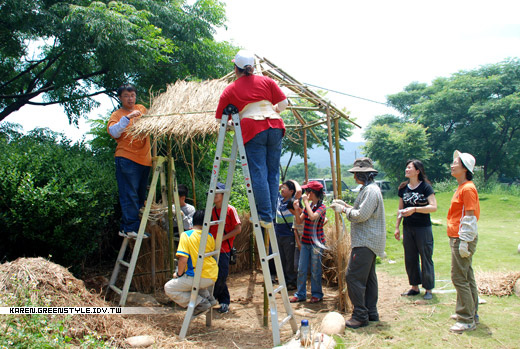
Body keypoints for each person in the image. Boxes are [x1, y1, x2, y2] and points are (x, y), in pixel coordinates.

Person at [215, 50, 288, 227]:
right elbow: (284, 104)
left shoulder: (230, 89)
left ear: (235, 68)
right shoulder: (267, 81)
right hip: (276, 126)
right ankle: (270, 214)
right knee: (273, 173)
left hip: (253, 128)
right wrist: (274, 111)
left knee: (258, 172)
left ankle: (264, 216)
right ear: (253, 67)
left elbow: (219, 119)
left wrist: (233, 125)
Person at [330, 157, 386, 329]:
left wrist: (344, 210)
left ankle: (360, 315)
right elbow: (361, 210)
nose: (355, 177)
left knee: (353, 276)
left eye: (358, 174)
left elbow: (361, 215)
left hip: (365, 241)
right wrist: (345, 205)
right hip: (369, 241)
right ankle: (371, 312)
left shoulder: (371, 191)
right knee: (368, 279)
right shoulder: (368, 190)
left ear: (368, 175)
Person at [107, 84, 151, 239]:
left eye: (132, 95)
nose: (130, 98)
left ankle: (128, 227)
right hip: (127, 158)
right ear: (120, 98)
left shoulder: (142, 109)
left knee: (139, 196)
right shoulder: (118, 115)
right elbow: (113, 132)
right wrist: (127, 118)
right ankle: (130, 227)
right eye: (126, 95)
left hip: (145, 160)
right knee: (129, 194)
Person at [447, 150, 480, 333]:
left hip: (461, 237)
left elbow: (469, 216)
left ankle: (466, 318)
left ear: (465, 168)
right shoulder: (461, 187)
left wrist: (465, 241)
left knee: (459, 277)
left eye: (456, 163)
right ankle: (471, 312)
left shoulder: (467, 188)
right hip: (458, 236)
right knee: (467, 276)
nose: (452, 165)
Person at [395, 160, 437, 300]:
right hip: (408, 228)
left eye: (409, 167)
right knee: (410, 258)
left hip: (423, 228)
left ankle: (428, 289)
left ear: (417, 171)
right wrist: (397, 227)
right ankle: (414, 287)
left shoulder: (426, 187)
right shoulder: (403, 188)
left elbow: (433, 207)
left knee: (425, 257)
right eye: (406, 167)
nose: (406, 169)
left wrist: (415, 209)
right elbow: (400, 209)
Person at [164, 210, 218, 316]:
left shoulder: (186, 235)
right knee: (194, 282)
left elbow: (183, 259)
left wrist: (178, 274)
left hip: (199, 276)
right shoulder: (210, 236)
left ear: (193, 221)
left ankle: (201, 303)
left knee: (169, 288)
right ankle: (208, 298)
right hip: (212, 274)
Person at [289, 181, 327, 304]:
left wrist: (305, 202)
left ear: (313, 193)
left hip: (317, 243)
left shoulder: (322, 207)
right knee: (301, 269)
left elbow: (312, 217)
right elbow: (299, 221)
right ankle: (300, 294)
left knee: (315, 270)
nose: (305, 194)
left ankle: (317, 294)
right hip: (305, 242)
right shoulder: (308, 206)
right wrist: (296, 210)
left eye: (307, 191)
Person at [210, 183, 242, 314]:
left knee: (222, 275)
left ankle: (218, 300)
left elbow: (238, 229)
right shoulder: (211, 211)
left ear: (223, 195)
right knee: (213, 276)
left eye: (217, 192)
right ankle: (222, 301)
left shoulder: (230, 210)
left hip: (224, 249)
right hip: (211, 250)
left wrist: (222, 239)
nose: (214, 195)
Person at [273, 180, 302, 290]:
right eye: (282, 188)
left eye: (285, 188)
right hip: (278, 233)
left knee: (290, 259)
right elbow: (274, 188)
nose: (282, 189)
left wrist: (292, 181)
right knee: (281, 258)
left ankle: (291, 282)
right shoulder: (279, 199)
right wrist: (282, 185)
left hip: (289, 234)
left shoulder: (292, 202)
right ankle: (283, 280)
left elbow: (299, 190)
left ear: (291, 191)